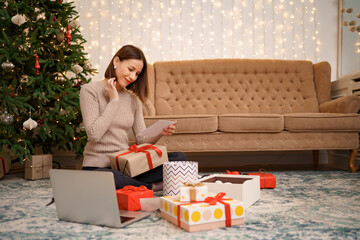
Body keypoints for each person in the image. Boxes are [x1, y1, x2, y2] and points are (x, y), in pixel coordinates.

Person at [79, 45, 187, 191]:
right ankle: (151, 187)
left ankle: (132, 185)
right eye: (131, 70)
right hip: (98, 167)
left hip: (126, 165)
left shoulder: (133, 99)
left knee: (178, 158)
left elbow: (141, 140)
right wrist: (113, 101)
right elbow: (94, 134)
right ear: (116, 61)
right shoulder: (89, 91)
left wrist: (160, 133)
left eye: (137, 73)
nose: (133, 77)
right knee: (111, 178)